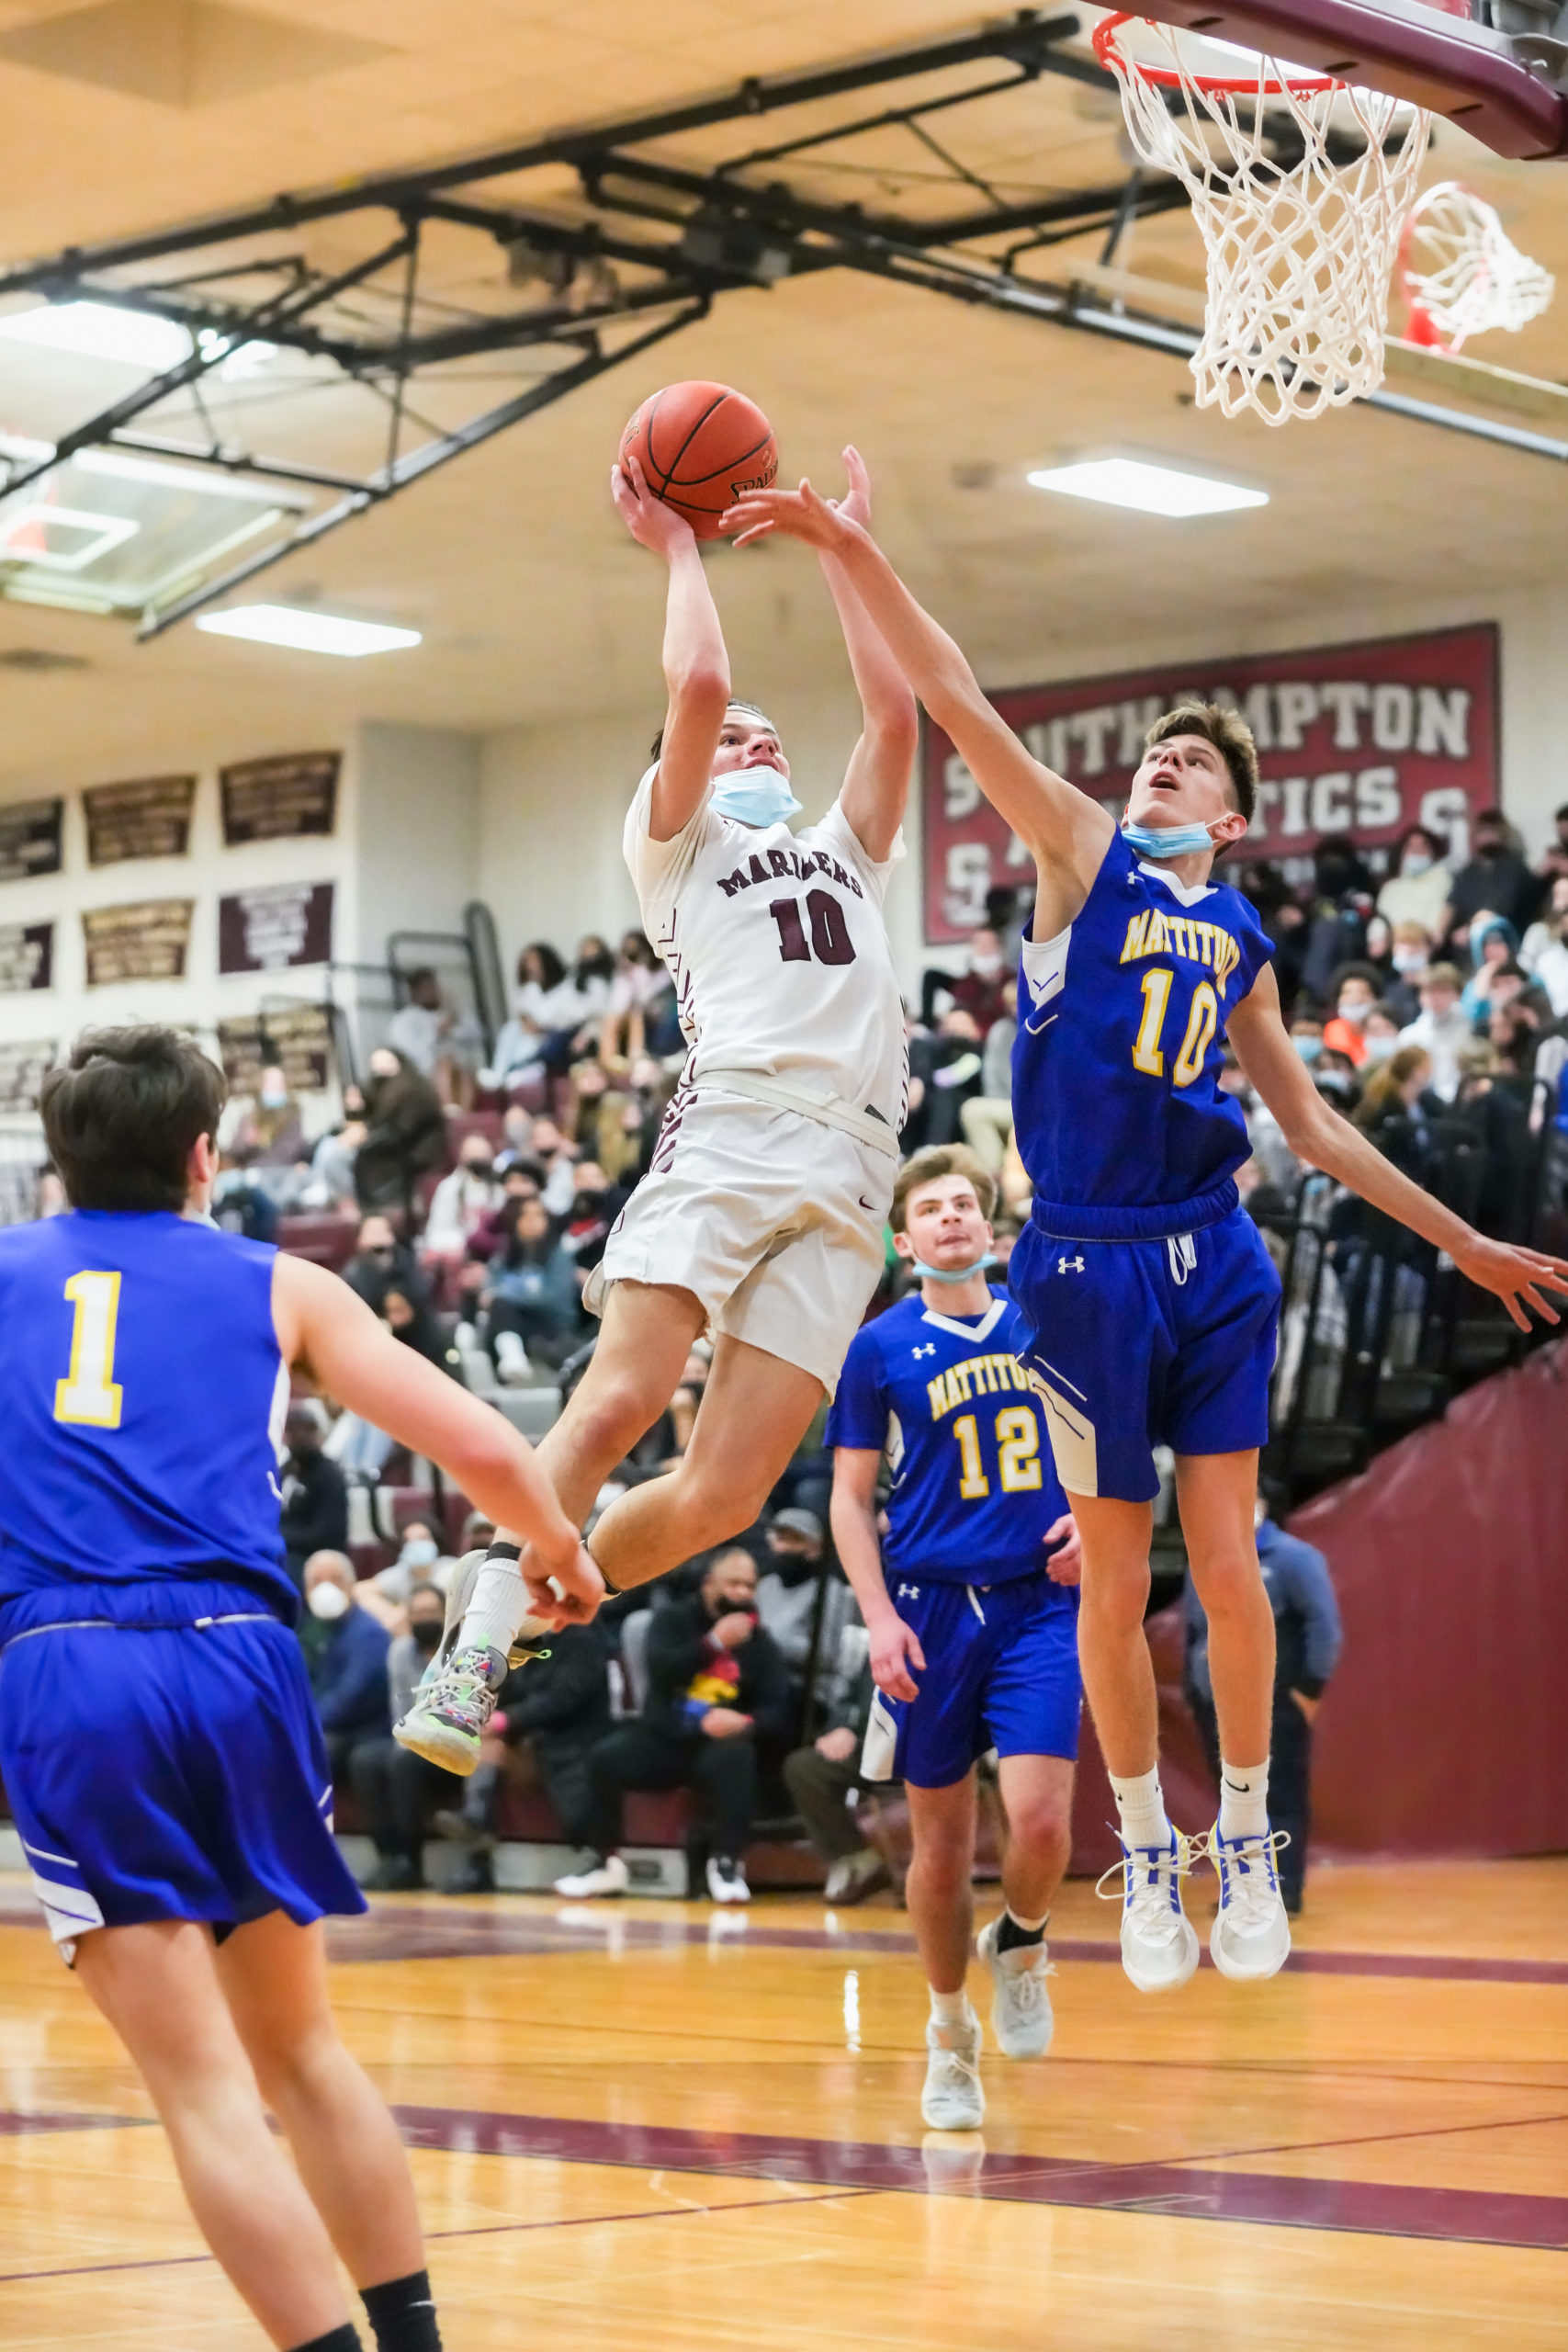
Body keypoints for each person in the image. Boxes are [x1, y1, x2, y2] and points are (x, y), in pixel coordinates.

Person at [728, 468, 1568, 1997]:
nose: (1162, 770)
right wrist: (853, 544)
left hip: (1212, 1252)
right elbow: (957, 698)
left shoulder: (1238, 936)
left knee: (1229, 1565)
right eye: (1155, 757)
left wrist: (1470, 1245)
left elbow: (1312, 1133)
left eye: (1191, 767)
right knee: (1110, 1588)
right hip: (1080, 1264)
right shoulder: (1078, 857)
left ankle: (1242, 1830)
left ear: (1233, 820)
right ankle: (1146, 1849)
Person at [0, 1026, 599, 2352]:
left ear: (58, 1160)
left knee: (202, 2089)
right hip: (239, 1654)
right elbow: (483, 1446)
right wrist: (558, 1557)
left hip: (71, 1666)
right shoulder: (281, 1282)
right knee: (302, 2052)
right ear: (204, 1156)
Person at [399, 445, 917, 1773]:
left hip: (857, 1166)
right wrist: (677, 543)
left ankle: (517, 1614)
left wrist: (844, 552)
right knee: (625, 1394)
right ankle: (476, 1644)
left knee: (725, 1494)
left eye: (766, 732)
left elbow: (895, 717)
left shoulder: (838, 848)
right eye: (735, 733)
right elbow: (692, 681)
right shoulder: (675, 840)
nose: (755, 733)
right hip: (736, 1121)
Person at [827, 1145, 1082, 2129]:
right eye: (930, 1207)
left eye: (964, 1203)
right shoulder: (879, 1348)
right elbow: (851, 1503)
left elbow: (1113, 1437)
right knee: (939, 1843)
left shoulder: (1043, 1319)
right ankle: (947, 2033)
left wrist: (1094, 1525)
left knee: (1044, 1822)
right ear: (904, 1238)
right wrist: (879, 1616)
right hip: (928, 1610)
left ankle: (1019, 1940)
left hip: (1039, 1600)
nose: (950, 1218)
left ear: (989, 1226)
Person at [556, 1547, 792, 1905]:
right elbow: (662, 1670)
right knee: (605, 1757)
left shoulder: (761, 1642)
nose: (743, 1592)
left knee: (738, 1756)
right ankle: (604, 1862)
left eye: (749, 1585)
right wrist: (714, 1644)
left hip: (716, 1746)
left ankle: (725, 1864)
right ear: (710, 1585)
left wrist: (744, 1721)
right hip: (666, 1737)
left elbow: (777, 1707)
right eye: (734, 1583)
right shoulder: (672, 1620)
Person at [1183, 1498, 1343, 1914]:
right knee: (1233, 1798)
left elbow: (1324, 1625)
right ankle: (1241, 1888)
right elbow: (1193, 1629)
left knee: (1280, 1795)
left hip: (1275, 1700)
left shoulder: (1292, 1558)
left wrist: (1308, 1689)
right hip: (1213, 1702)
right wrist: (1192, 1687)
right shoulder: (1204, 1556)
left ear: (1262, 1503)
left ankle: (1284, 1889)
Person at [351, 1584, 463, 1892]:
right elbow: (399, 1707)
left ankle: (411, 1862)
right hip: (414, 1739)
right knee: (365, 1759)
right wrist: (409, 1741)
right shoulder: (400, 1651)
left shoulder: (465, 1651)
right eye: (417, 1613)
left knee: (403, 1762)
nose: (423, 1619)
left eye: (430, 1612)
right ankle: (390, 1856)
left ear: (447, 1615)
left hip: (457, 1742)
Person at [781, 1646, 888, 1906]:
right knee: (804, 1767)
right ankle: (859, 1860)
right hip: (870, 1750)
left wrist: (859, 1736)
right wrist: (840, 1729)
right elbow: (849, 1699)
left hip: (920, 1751)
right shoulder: (881, 1637)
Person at [301, 1549, 390, 1786]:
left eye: (335, 1579)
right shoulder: (308, 1631)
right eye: (316, 1582)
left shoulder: (369, 1633)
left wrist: (306, 1725)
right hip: (323, 1724)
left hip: (363, 1729)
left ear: (351, 1586)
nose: (325, 1588)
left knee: (315, 1748)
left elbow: (351, 1695)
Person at [353, 1046, 446, 1216]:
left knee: (365, 1154)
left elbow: (405, 1128)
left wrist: (372, 1141)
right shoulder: (384, 1091)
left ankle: (379, 1208)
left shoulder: (414, 1090)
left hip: (415, 1151)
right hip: (398, 1145)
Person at [279, 1403, 348, 1586]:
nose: (298, 1437)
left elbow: (327, 1534)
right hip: (283, 1548)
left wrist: (279, 1536)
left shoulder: (329, 1475)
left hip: (314, 1555)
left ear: (316, 1433)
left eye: (304, 1431)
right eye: (292, 1431)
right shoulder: (285, 1471)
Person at [1397, 963, 1472, 1102]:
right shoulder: (1409, 1036)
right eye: (1430, 991)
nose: (1436, 998)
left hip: (1462, 1103)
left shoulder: (1470, 1028)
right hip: (1424, 1102)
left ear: (1457, 994)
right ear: (1421, 996)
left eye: (1443, 991)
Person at [1375, 823, 1452, 939]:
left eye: (1422, 846)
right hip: (1394, 948)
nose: (1416, 851)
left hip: (1430, 945)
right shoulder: (1390, 888)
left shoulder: (1445, 880)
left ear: (1433, 853)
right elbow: (1380, 923)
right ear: (1402, 854)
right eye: (1411, 847)